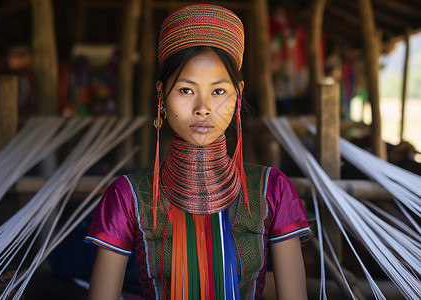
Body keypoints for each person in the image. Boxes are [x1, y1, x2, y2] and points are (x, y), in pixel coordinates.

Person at [85, 4, 310, 299]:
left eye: (218, 91)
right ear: (161, 94)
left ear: (238, 94)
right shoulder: (128, 197)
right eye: (186, 90)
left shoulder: (272, 191)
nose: (203, 108)